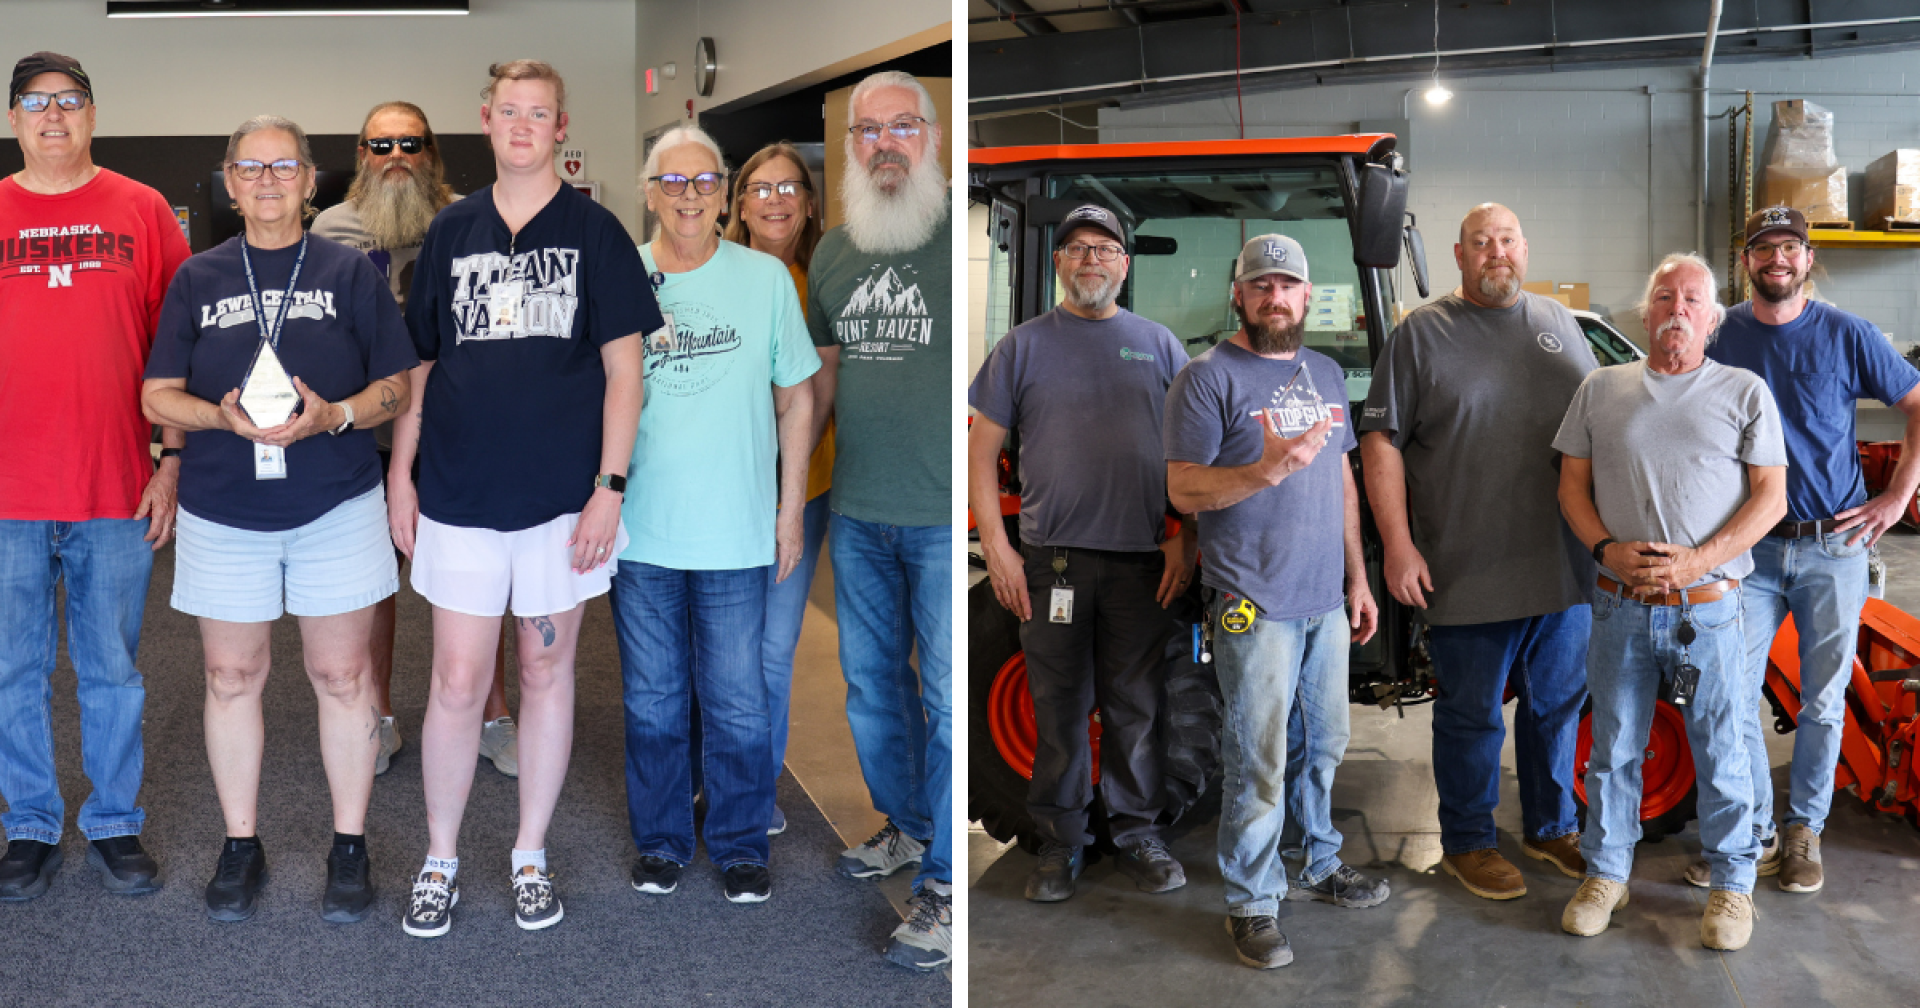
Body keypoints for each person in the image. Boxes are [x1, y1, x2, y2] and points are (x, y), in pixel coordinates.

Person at [388, 59, 656, 937]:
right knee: (458, 680)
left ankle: (530, 854)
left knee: (545, 672)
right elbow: (423, 363)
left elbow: (626, 372)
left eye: (539, 113)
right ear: (487, 119)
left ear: (560, 128)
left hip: (562, 505)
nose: (523, 125)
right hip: (458, 494)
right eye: (510, 110)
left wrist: (609, 489)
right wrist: (401, 472)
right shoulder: (451, 230)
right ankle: (440, 857)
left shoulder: (596, 232)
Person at [141, 114, 418, 924]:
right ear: (231, 183)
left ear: (309, 180)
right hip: (225, 509)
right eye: (251, 168)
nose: (268, 181)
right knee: (231, 677)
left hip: (336, 504)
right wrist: (219, 419)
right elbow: (156, 395)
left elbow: (398, 387)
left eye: (284, 166)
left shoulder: (350, 271)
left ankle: (350, 844)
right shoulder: (197, 277)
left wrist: (334, 415)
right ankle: (241, 844)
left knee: (344, 676)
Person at [1359, 203, 1598, 900]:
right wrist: (1398, 546)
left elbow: (1601, 425)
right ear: (1460, 256)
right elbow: (1380, 442)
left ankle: (1552, 827)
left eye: (1508, 240)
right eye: (1481, 242)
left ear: (1525, 249)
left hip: (1563, 566)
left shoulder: (1558, 323)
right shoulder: (1421, 334)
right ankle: (1468, 840)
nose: (1497, 252)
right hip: (1466, 566)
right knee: (1472, 717)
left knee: (1557, 708)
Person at [1164, 234, 1387, 970]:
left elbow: (1341, 481)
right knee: (1257, 757)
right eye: (1260, 285)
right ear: (1239, 294)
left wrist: (1357, 578)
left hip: (1324, 600)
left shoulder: (1324, 373)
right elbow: (1182, 489)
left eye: (1287, 285)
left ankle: (1317, 859)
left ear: (1307, 295)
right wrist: (1262, 472)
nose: (1275, 296)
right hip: (1252, 602)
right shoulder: (1206, 379)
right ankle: (1252, 902)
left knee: (1324, 744)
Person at [1554, 253, 1786, 950]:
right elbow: (1571, 488)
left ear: (1712, 320)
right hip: (1619, 605)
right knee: (1614, 748)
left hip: (1709, 608)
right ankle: (1606, 874)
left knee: (1722, 748)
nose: (1676, 310)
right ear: (1645, 313)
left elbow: (1771, 499)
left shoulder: (1744, 392)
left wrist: (1695, 561)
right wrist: (1605, 550)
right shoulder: (1600, 389)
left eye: (1691, 300)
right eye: (1664, 297)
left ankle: (1732, 885)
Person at [0, 51, 189, 902]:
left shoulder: (141, 209)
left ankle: (114, 821)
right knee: (13, 670)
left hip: (115, 485)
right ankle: (30, 825)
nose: (54, 116)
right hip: (7, 493)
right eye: (36, 102)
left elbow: (178, 350)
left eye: (69, 100)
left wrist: (172, 461)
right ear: (14, 119)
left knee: (112, 669)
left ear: (93, 114)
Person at [967, 203, 1196, 903]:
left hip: (1141, 563)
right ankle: (1059, 843)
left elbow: (1194, 452)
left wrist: (1185, 535)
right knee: (1060, 708)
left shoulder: (1159, 345)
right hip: (1053, 564)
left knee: (1138, 705)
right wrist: (998, 549)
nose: (1090, 259)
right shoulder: (1021, 347)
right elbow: (980, 451)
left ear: (1123, 264)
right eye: (1076, 249)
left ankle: (1138, 835)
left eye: (1103, 248)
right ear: (1058, 263)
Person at [614, 125, 819, 906]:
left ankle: (739, 843)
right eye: (674, 181)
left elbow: (797, 399)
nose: (690, 195)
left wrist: (790, 510)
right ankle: (662, 840)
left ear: (724, 193)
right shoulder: (621, 276)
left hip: (738, 533)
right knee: (653, 699)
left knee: (737, 701)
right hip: (643, 531)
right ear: (650, 192)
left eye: (705, 181)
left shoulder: (766, 280)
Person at [1701, 207, 1920, 893]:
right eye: (1764, 248)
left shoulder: (1848, 334)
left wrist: (1896, 499)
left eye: (1790, 247)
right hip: (1749, 549)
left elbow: (1918, 403)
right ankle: (1754, 831)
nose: (1778, 258)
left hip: (1834, 546)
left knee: (1822, 703)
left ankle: (1804, 831)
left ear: (1807, 257)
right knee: (1730, 695)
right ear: (1746, 261)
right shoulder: (1720, 333)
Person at [311, 101, 519, 779]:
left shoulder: (474, 219)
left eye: (410, 142)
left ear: (431, 152)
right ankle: (377, 715)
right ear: (361, 155)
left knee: (476, 580)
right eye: (381, 145)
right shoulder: (331, 229)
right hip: (363, 435)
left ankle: (491, 715)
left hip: (458, 430)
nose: (396, 155)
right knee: (373, 581)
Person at [807, 69, 951, 971]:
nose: (885, 142)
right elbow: (820, 387)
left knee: (946, 699)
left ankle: (945, 886)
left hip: (939, 518)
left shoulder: (953, 237)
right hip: (858, 512)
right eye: (869, 129)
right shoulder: (834, 252)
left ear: (931, 136)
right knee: (871, 688)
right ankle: (909, 823)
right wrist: (788, 488)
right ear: (852, 145)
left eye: (903, 125)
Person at [723, 141, 828, 837]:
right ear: (740, 204)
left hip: (803, 489)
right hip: (726, 487)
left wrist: (786, 486)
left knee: (771, 649)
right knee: (721, 644)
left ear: (810, 204)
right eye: (760, 189)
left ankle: (754, 791)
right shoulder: (718, 273)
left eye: (789, 188)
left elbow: (819, 396)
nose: (775, 200)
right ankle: (715, 775)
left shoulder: (823, 282)